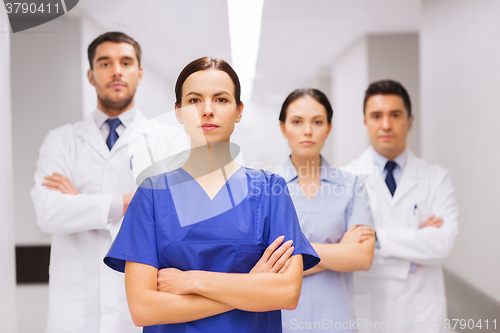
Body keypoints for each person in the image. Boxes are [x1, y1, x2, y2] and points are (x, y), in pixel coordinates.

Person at [104, 57, 320, 332]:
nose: (207, 110)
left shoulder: (270, 191)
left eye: (221, 99)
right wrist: (250, 285)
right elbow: (143, 309)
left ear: (239, 111)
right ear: (179, 113)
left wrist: (191, 281)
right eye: (194, 100)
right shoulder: (152, 195)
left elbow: (287, 293)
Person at [31, 32, 147, 332]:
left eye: (126, 62)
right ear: (91, 75)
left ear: (139, 73)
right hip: (75, 309)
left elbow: (164, 216)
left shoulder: (161, 141)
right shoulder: (62, 140)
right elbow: (48, 212)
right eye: (105, 63)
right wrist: (127, 202)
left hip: (135, 304)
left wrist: (79, 203)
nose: (117, 71)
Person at [346, 80, 459, 333]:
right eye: (377, 116)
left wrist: (375, 239)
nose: (386, 124)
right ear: (365, 122)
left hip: (423, 317)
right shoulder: (347, 179)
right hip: (369, 313)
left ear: (410, 120)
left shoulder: (436, 178)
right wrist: (416, 247)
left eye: (395, 115)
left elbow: (442, 243)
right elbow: (348, 252)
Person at [276, 89, 375, 332]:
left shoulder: (352, 185)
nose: (307, 131)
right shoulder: (266, 188)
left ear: (329, 128)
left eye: (317, 122)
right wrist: (340, 251)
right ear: (283, 127)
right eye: (297, 121)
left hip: (336, 321)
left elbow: (362, 257)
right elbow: (263, 267)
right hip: (281, 323)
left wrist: (292, 255)